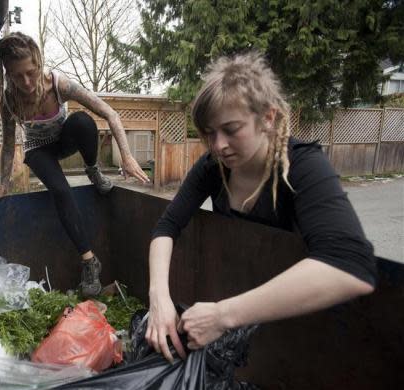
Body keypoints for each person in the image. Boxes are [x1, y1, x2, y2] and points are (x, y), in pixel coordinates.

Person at [145, 52, 377, 362]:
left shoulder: (302, 166)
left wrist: (223, 316)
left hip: (296, 330)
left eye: (231, 129)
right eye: (210, 133)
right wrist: (159, 297)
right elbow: (166, 227)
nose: (218, 145)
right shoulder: (213, 167)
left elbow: (350, 266)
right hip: (239, 329)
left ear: (267, 117)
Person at [0, 32, 149, 297]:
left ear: (38, 62)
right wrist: (4, 186)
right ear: (8, 74)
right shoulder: (9, 100)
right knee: (61, 191)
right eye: (17, 76)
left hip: (64, 139)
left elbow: (110, 113)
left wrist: (127, 157)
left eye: (31, 72)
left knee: (83, 121)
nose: (26, 82)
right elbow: (8, 145)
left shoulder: (59, 84)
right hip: (38, 150)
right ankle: (89, 261)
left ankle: (93, 169)